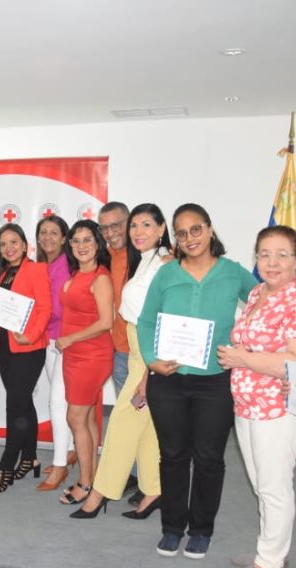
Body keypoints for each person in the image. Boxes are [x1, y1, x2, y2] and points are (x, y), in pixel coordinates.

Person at [137, 203, 256, 559]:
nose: (190, 237)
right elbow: (145, 322)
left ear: (209, 230)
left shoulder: (234, 273)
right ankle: (172, 527)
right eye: (182, 232)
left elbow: (265, 305)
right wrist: (152, 361)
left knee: (208, 458)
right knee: (172, 455)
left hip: (215, 382)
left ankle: (201, 529)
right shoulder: (166, 274)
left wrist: (243, 345)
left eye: (196, 229)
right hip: (168, 381)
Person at [217, 226, 296, 568]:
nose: (272, 262)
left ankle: (271, 563)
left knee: (275, 486)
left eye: (281, 254)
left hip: (279, 407)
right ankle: (269, 547)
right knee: (262, 484)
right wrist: (243, 360)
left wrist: (243, 358)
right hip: (247, 404)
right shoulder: (259, 292)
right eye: (264, 254)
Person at [72, 204, 171, 519]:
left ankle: (101, 491)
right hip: (131, 348)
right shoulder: (146, 260)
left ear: (161, 228)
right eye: (135, 228)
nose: (136, 233)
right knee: (144, 427)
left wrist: (147, 372)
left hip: (146, 351)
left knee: (121, 423)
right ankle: (154, 489)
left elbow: (163, 317)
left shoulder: (165, 263)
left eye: (144, 225)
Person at [0, 223, 51, 493]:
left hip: (29, 348)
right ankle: (30, 457)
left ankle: (7, 467)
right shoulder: (4, 274)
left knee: (13, 407)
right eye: (3, 244)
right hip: (7, 347)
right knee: (22, 404)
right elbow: (9, 310)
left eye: (14, 242)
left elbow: (45, 309)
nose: (8, 248)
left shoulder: (36, 269)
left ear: (25, 245)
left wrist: (31, 336)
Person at [56, 220, 114, 507]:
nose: (81, 245)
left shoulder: (100, 278)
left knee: (75, 419)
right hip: (74, 355)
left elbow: (106, 322)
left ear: (98, 244)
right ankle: (94, 478)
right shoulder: (76, 273)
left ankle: (86, 483)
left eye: (87, 240)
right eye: (76, 240)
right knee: (87, 418)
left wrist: (70, 339)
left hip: (91, 355)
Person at [34, 214, 76, 491]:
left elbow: (58, 309)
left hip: (65, 342)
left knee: (57, 404)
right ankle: (71, 451)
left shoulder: (64, 266)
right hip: (49, 341)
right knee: (63, 400)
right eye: (43, 232)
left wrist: (32, 318)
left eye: (54, 232)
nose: (47, 237)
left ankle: (60, 464)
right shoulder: (42, 266)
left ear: (64, 238)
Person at [98, 201, 135, 393]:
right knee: (127, 416)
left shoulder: (148, 257)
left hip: (143, 354)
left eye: (116, 225)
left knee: (148, 416)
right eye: (104, 228)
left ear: (129, 222)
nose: (110, 233)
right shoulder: (103, 258)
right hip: (118, 351)